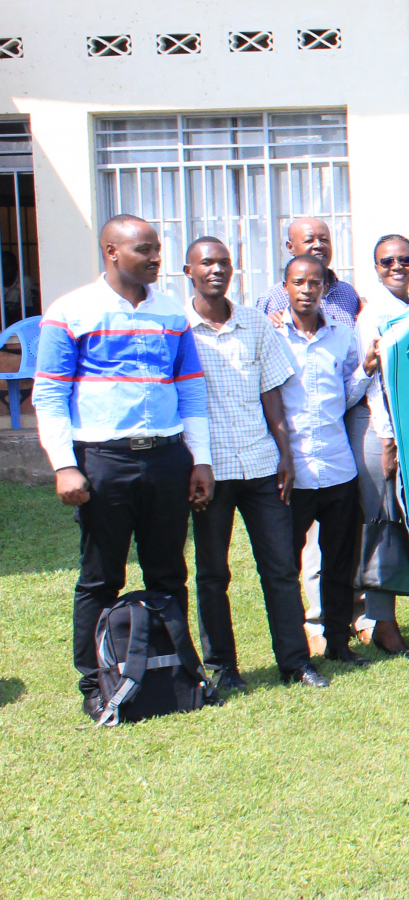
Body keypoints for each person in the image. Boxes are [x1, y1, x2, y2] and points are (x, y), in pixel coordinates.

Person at [35, 215, 216, 718]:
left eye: (158, 249)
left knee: (168, 572)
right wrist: (64, 466)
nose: (157, 258)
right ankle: (97, 684)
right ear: (112, 252)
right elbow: (49, 394)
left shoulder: (172, 314)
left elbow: (191, 390)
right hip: (103, 461)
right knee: (100, 577)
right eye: (145, 250)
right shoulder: (71, 311)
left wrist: (198, 459)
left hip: (165, 459)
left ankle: (176, 674)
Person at [185, 242, 326, 691]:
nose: (217, 270)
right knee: (213, 573)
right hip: (210, 470)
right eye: (207, 263)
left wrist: (285, 454)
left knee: (280, 567)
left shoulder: (254, 324)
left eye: (224, 263)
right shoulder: (178, 330)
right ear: (189, 270)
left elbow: (272, 394)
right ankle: (223, 667)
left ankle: (295, 663)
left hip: (262, 464)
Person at [275, 252, 371, 668]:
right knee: (284, 567)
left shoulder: (342, 335)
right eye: (299, 282)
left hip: (337, 468)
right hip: (291, 471)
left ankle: (338, 643)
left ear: (324, 289)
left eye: (315, 283)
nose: (307, 290)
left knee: (338, 562)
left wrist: (366, 370)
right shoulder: (271, 335)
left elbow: (347, 395)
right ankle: (295, 652)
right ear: (286, 288)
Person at [357, 234, 409, 656]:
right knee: (385, 525)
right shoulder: (373, 316)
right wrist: (388, 439)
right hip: (386, 435)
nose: (397, 266)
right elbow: (372, 384)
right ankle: (381, 621)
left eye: (405, 259)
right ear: (376, 266)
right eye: (387, 260)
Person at [257, 217, 360, 326]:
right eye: (309, 240)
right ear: (290, 247)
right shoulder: (272, 299)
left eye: (324, 240)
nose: (318, 245)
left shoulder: (347, 293)